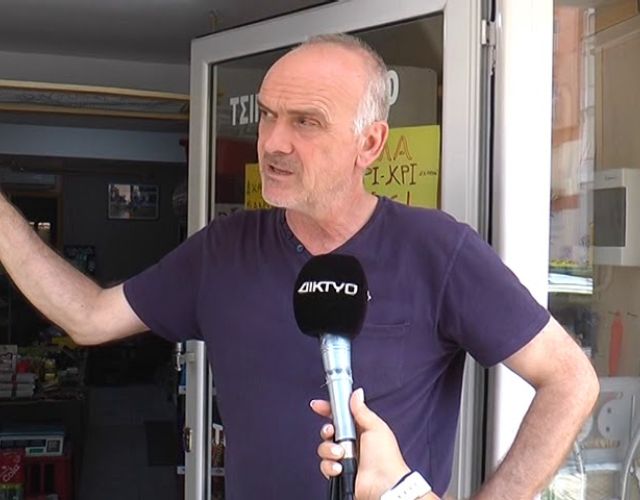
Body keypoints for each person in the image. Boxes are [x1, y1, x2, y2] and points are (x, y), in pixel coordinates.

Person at [0, 34, 598, 500]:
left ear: (370, 144)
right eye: (267, 116)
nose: (272, 143)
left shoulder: (438, 251)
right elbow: (89, 316)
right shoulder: (222, 251)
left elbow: (571, 380)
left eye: (305, 122)